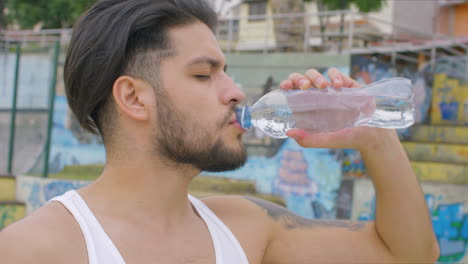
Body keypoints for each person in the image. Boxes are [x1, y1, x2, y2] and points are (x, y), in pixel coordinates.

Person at [0, 0, 439, 263]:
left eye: (225, 72)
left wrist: (372, 134)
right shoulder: (36, 249)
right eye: (203, 75)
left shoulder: (247, 226)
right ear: (134, 98)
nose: (235, 92)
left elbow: (409, 255)